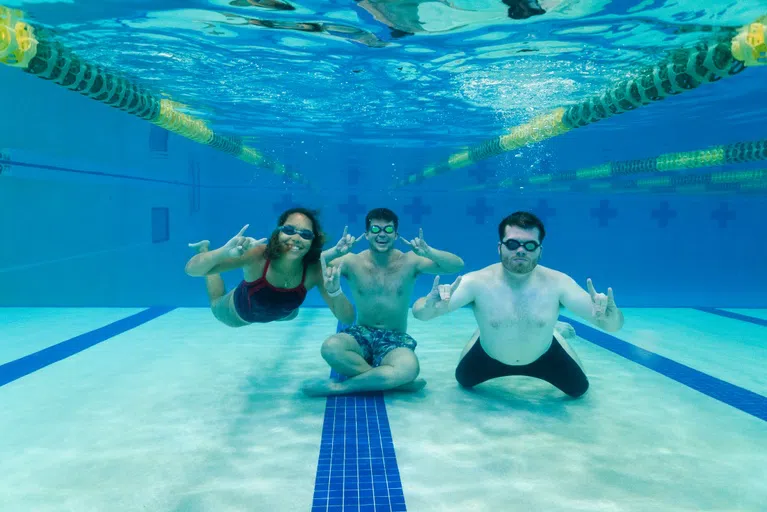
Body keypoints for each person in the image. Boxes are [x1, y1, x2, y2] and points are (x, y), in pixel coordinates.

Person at [412, 211, 624, 398]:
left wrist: (610, 316)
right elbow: (421, 314)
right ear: (500, 247)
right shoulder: (476, 282)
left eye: (529, 245)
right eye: (513, 244)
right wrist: (429, 307)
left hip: (544, 355)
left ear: (540, 250)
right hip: (489, 355)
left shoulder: (559, 283)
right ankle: (484, 330)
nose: (521, 250)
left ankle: (555, 332)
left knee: (579, 390)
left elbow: (611, 326)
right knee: (464, 380)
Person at [301, 207, 465, 396]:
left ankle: (342, 388)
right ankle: (394, 382)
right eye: (375, 229)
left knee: (410, 368)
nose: (382, 235)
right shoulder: (352, 261)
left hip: (395, 338)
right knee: (331, 348)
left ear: (396, 235)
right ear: (367, 234)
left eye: (388, 230)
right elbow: (310, 263)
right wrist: (335, 251)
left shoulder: (411, 261)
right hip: (361, 333)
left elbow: (456, 265)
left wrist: (429, 251)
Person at [185, 207, 354, 327]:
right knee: (215, 303)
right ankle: (204, 248)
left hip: (283, 313)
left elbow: (347, 319)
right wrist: (222, 253)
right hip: (240, 314)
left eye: (305, 234)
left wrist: (336, 292)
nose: (296, 237)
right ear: (277, 233)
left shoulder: (315, 270)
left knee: (288, 312)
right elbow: (191, 270)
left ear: (312, 242)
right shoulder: (257, 255)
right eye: (289, 230)